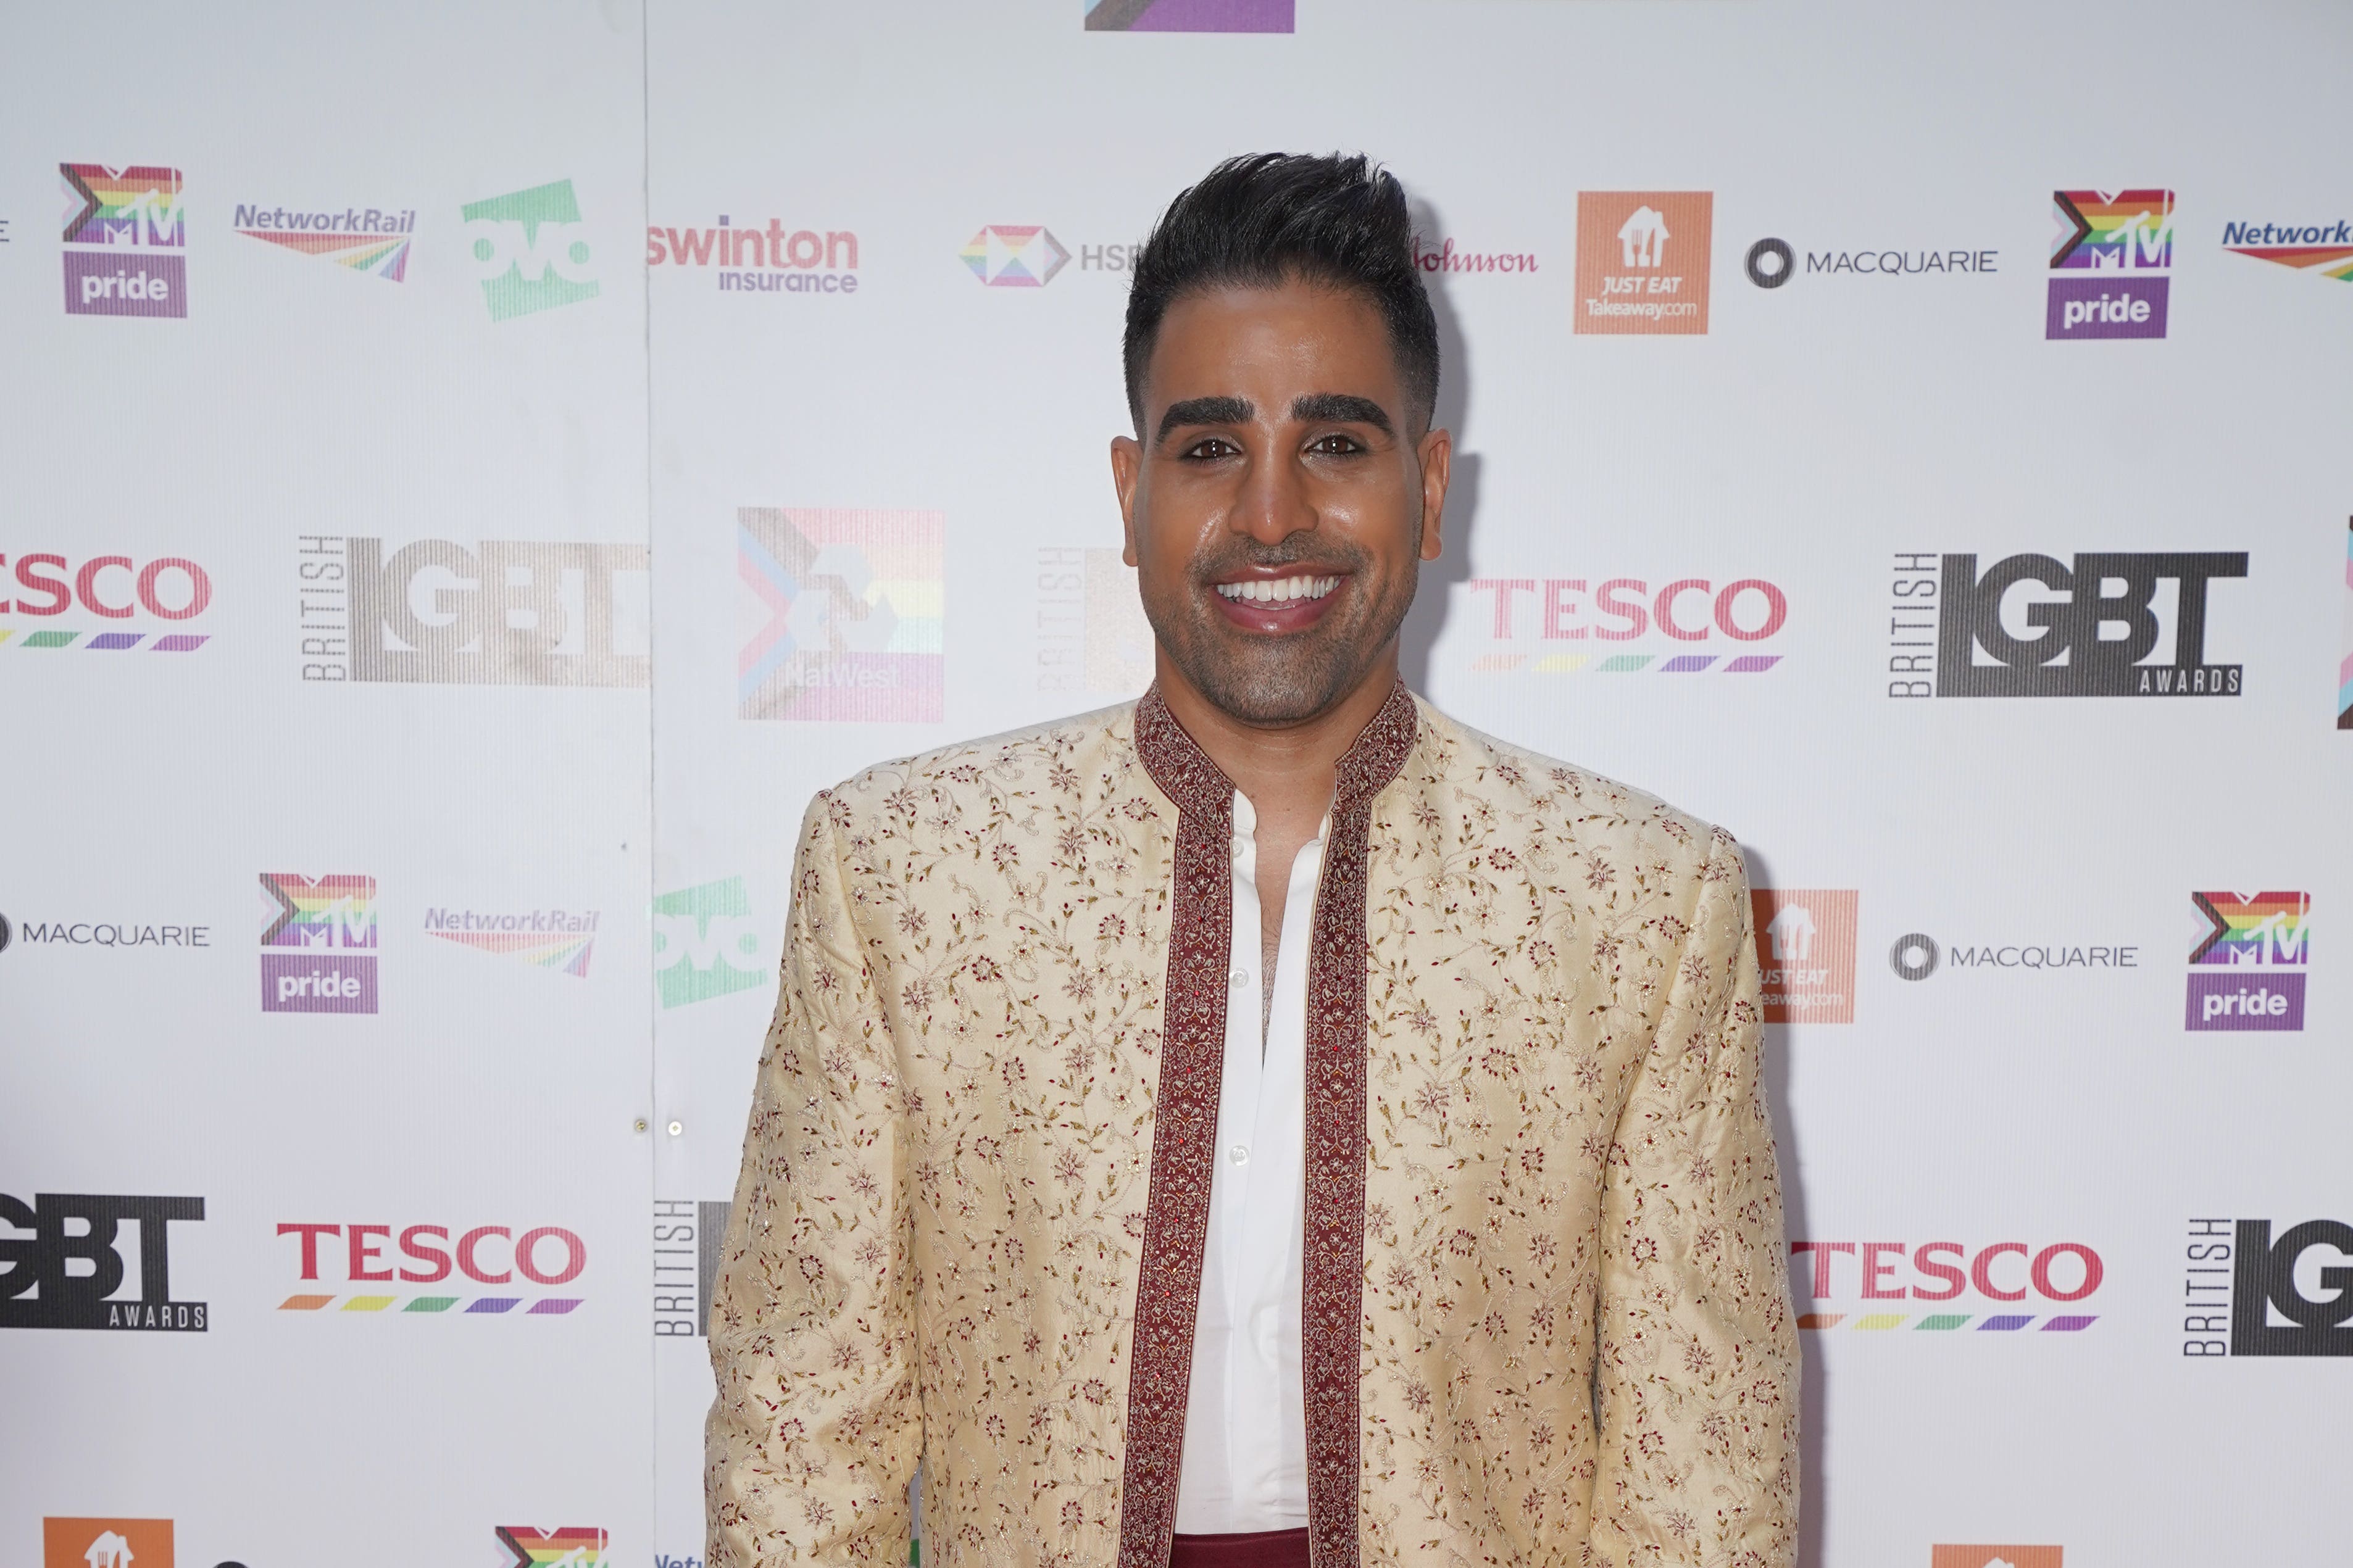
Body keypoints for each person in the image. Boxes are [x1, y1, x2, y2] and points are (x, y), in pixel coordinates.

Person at [707, 152, 1797, 1568]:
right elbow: (803, 1429)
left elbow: (1703, 1469)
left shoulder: (1637, 900)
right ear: (1128, 488)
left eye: (1335, 445)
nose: (1272, 514)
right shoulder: (907, 871)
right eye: (1209, 446)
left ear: (1425, 483)